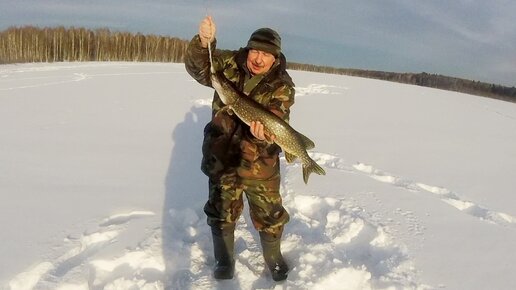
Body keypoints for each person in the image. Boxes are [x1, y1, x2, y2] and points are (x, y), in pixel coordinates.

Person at [184, 16, 295, 282]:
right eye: (255, 50)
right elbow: (201, 69)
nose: (258, 58)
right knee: (221, 212)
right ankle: (224, 259)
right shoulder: (228, 63)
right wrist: (203, 42)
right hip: (222, 156)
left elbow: (277, 114)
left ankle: (273, 258)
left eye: (266, 55)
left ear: (275, 58)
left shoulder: (281, 85)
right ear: (248, 48)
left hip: (261, 163)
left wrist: (262, 136)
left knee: (269, 215)